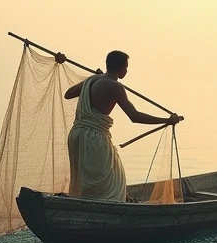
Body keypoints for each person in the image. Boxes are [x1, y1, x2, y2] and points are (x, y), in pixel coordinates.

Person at [56, 50, 182, 201]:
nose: (126, 71)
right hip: (93, 138)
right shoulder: (115, 86)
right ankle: (106, 211)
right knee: (113, 180)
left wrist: (92, 79)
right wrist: (166, 120)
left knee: (90, 181)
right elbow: (134, 116)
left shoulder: (92, 80)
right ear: (121, 68)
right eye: (126, 67)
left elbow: (68, 93)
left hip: (76, 135)